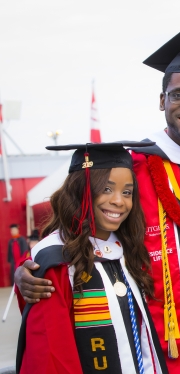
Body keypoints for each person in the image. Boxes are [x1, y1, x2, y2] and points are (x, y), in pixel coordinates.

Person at [15, 30, 180, 374]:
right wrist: (27, 269)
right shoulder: (130, 169)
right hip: (152, 345)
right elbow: (74, 228)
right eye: (178, 95)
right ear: (161, 100)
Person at [16, 142, 168, 374]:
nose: (119, 201)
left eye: (127, 192)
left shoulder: (128, 250)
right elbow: (51, 356)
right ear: (81, 190)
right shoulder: (57, 261)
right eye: (107, 189)